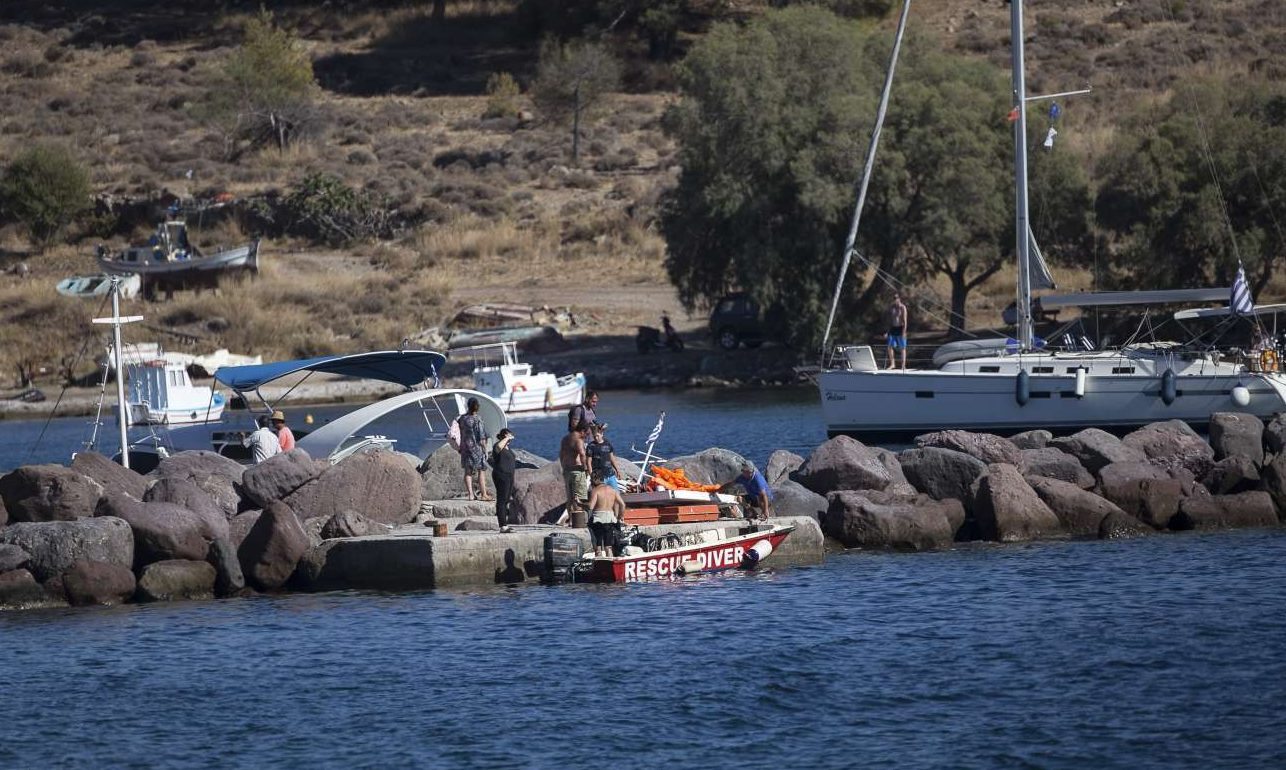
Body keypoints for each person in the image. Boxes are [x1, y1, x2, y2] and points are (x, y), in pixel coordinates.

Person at [457, 397, 492, 501]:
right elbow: (481, 438)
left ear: (468, 406)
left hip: (465, 448)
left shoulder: (462, 419)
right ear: (477, 407)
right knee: (481, 471)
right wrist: (485, 450)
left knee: (468, 472)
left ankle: (471, 495)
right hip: (476, 449)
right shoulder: (478, 419)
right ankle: (484, 495)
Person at [586, 468, 626, 558]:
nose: (591, 482)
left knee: (598, 546)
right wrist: (619, 517)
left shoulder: (595, 491)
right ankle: (610, 565)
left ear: (595, 479)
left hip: (598, 519)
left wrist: (579, 503)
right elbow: (622, 504)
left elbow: (590, 507)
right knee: (608, 547)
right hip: (610, 518)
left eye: (591, 480)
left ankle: (599, 566)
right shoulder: (613, 490)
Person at [558, 422, 589, 525]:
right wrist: (586, 468)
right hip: (577, 470)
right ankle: (578, 522)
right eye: (587, 433)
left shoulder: (565, 439)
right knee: (578, 497)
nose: (587, 436)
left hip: (567, 470)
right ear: (583, 431)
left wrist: (563, 467)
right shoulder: (578, 440)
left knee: (570, 498)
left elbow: (561, 454)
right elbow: (582, 454)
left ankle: (571, 520)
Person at [491, 428, 517, 533]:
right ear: (503, 437)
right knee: (501, 500)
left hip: (509, 475)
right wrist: (506, 438)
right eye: (507, 436)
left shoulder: (507, 448)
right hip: (501, 475)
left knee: (506, 499)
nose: (510, 438)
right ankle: (502, 525)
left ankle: (505, 524)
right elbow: (498, 448)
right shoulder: (498, 446)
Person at [586, 422, 622, 492]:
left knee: (616, 494)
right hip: (599, 477)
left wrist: (618, 470)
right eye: (594, 436)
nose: (596, 438)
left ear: (602, 434)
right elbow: (588, 462)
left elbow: (612, 458)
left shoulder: (607, 443)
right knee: (601, 496)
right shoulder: (590, 446)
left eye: (597, 436)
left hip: (610, 475)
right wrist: (592, 475)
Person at [887, 293, 909, 370]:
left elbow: (905, 321)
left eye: (896, 298)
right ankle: (892, 364)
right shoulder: (891, 307)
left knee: (902, 347)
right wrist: (888, 331)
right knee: (890, 346)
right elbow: (890, 320)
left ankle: (903, 365)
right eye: (893, 299)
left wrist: (904, 332)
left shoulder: (902, 308)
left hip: (901, 328)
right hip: (893, 328)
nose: (895, 300)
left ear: (899, 299)